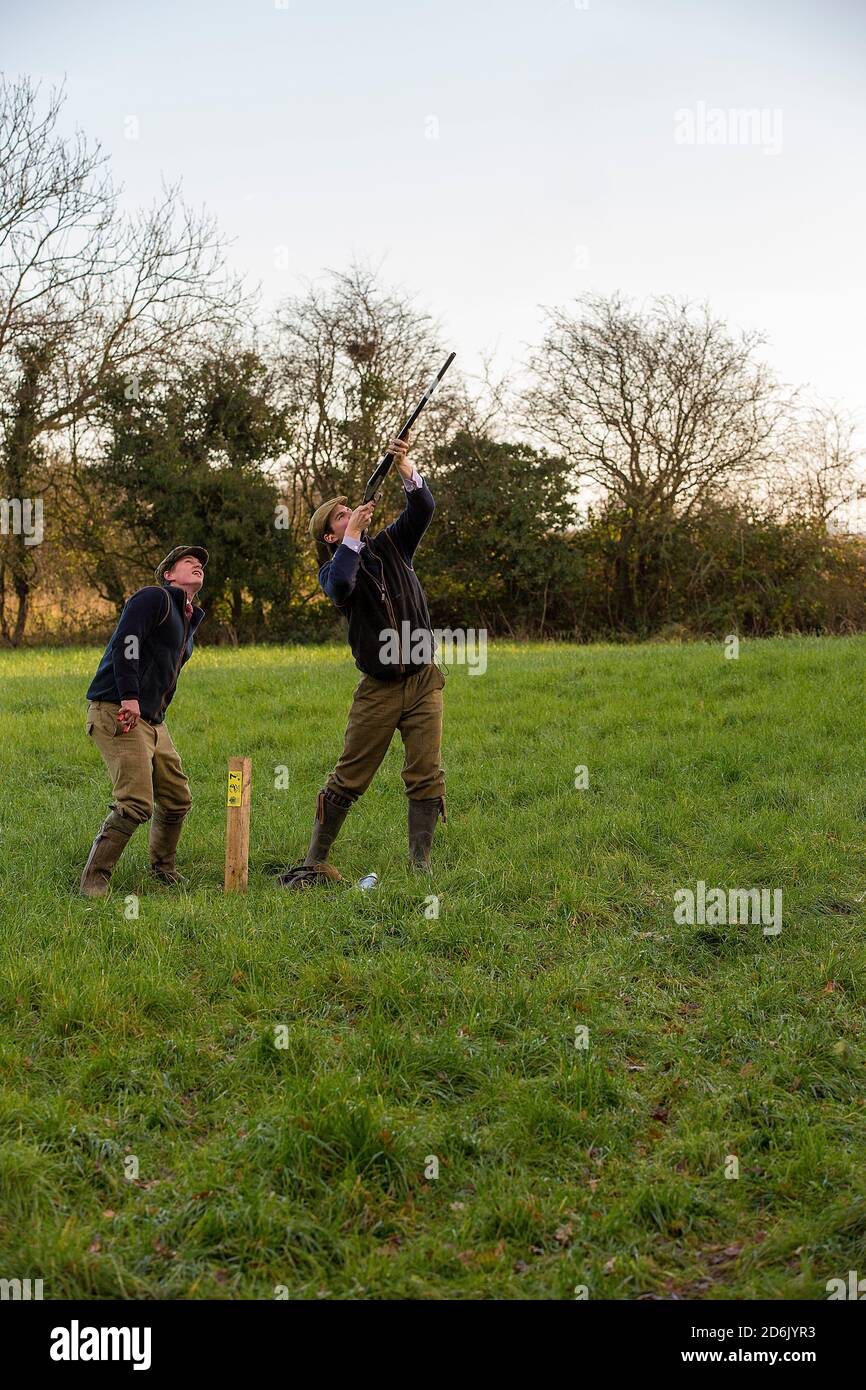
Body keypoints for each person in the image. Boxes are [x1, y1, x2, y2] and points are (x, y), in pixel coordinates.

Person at [279, 434, 445, 887]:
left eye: (349, 509)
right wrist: (351, 540)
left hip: (424, 679)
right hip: (379, 689)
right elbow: (342, 587)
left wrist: (406, 466)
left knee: (425, 773)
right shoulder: (333, 569)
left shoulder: (394, 545)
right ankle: (314, 859)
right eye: (340, 516)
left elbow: (423, 510)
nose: (349, 514)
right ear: (331, 535)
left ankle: (420, 867)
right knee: (349, 778)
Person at [79, 546, 207, 897]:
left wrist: (149, 709)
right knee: (135, 803)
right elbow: (128, 642)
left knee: (178, 798)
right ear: (168, 574)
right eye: (188, 562)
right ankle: (94, 881)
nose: (197, 566)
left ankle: (163, 869)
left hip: (152, 721)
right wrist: (130, 697)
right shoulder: (154, 598)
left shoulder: (188, 616)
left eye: (200, 565)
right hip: (117, 709)